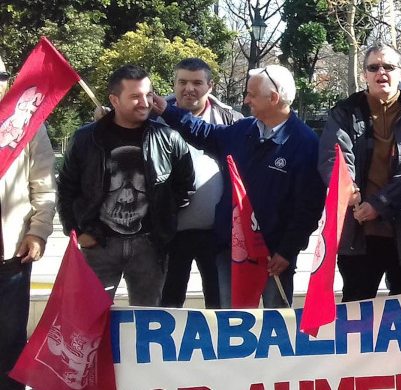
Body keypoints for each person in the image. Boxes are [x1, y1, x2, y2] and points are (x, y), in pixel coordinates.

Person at [152, 65, 324, 308]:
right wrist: (169, 112)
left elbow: (308, 207)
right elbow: (206, 134)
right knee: (232, 321)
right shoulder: (244, 130)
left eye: (252, 95)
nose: (246, 101)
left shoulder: (305, 144)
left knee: (276, 321)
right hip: (232, 249)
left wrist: (287, 251)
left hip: (274, 255)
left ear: (273, 98)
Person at [59, 65, 194, 305]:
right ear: (114, 100)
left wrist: (162, 225)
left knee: (148, 324)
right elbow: (67, 188)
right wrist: (77, 231)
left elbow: (185, 187)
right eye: (135, 96)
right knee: (91, 320)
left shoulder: (169, 139)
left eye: (149, 94)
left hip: (150, 250)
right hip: (98, 246)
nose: (145, 103)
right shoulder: (86, 139)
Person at [319, 44, 401, 301]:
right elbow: (334, 156)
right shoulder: (344, 112)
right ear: (364, 75)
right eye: (374, 67)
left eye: (389, 67)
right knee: (356, 318)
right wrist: (349, 190)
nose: (381, 72)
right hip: (358, 234)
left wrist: (380, 204)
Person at [0, 63, 56, 390]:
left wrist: (37, 232)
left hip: (11, 253)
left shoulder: (27, 125)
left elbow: (45, 187)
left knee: (9, 336)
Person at [159, 58, 242, 308]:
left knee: (220, 304)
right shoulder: (152, 118)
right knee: (167, 304)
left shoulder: (231, 120)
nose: (189, 88)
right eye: (182, 82)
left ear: (210, 86)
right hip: (168, 234)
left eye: (197, 82)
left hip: (217, 234)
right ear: (173, 84)